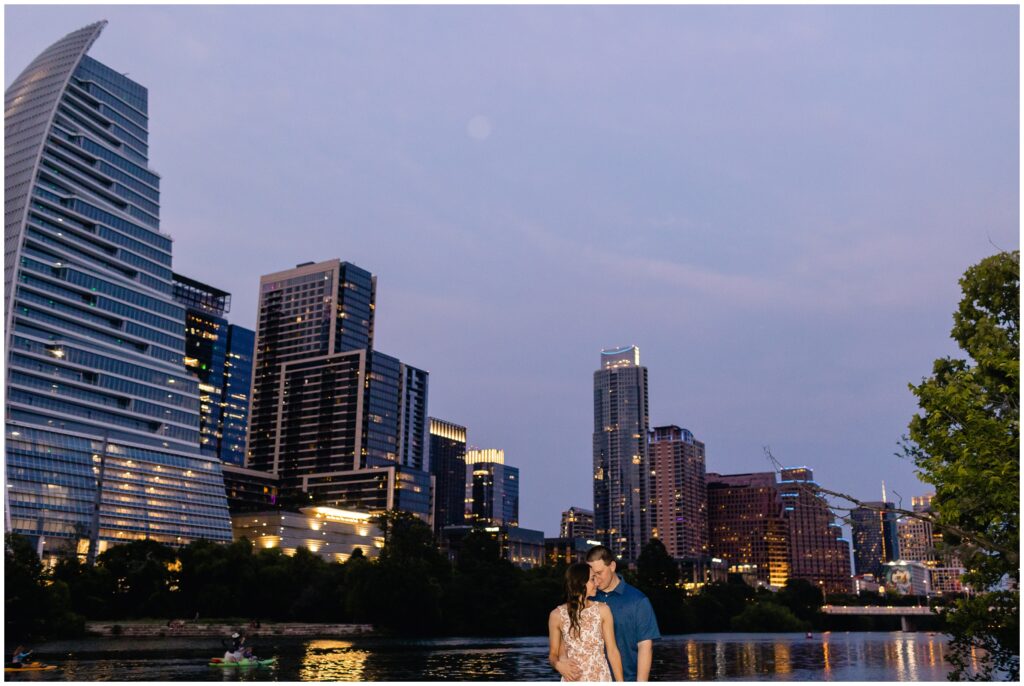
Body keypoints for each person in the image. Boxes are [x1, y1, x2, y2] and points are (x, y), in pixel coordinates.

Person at [561, 545, 660, 682]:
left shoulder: (638, 601)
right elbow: (567, 639)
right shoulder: (586, 599)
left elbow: (645, 647)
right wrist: (561, 663)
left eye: (599, 573)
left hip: (627, 679)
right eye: (592, 576)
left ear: (612, 566)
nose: (596, 580)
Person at [549, 563, 623, 682]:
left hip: (600, 678)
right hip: (572, 679)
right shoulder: (556, 615)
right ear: (580, 582)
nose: (597, 583)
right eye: (593, 579)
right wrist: (559, 666)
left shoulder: (603, 610)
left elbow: (612, 651)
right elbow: (553, 655)